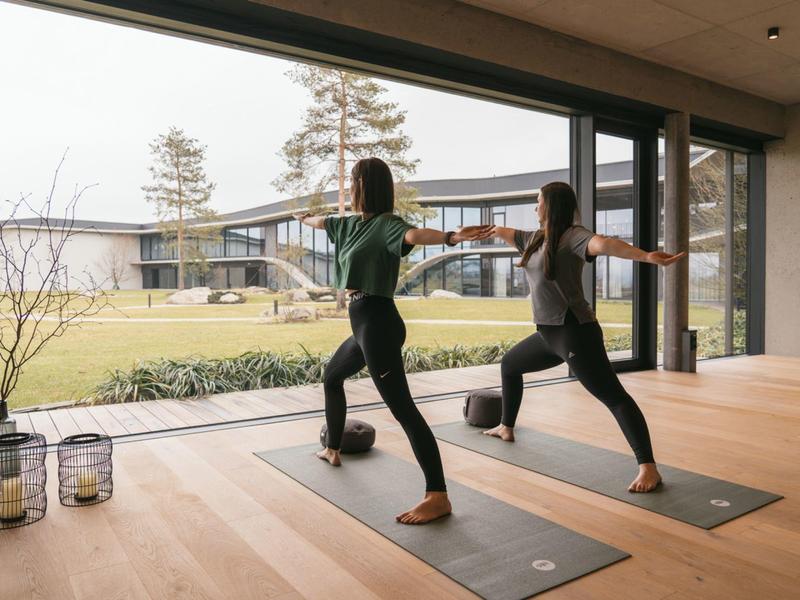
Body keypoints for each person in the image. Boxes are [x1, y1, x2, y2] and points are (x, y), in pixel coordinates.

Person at [295, 157, 493, 523]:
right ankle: (333, 449)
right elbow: (319, 221)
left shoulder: (388, 225)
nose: (349, 187)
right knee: (332, 377)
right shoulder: (346, 224)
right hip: (363, 323)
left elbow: (415, 235)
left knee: (404, 411)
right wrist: (302, 218)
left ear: (363, 185)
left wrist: (450, 237)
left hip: (379, 323)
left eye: (352, 181)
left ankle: (438, 495)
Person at [484, 181, 686, 493]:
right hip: (548, 335)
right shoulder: (534, 239)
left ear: (550, 205)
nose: (535, 207)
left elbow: (604, 244)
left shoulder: (573, 236)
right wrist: (476, 231)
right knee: (510, 366)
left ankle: (648, 467)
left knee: (614, 397)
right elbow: (502, 230)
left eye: (538, 201)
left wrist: (646, 257)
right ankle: (506, 427)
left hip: (575, 334)